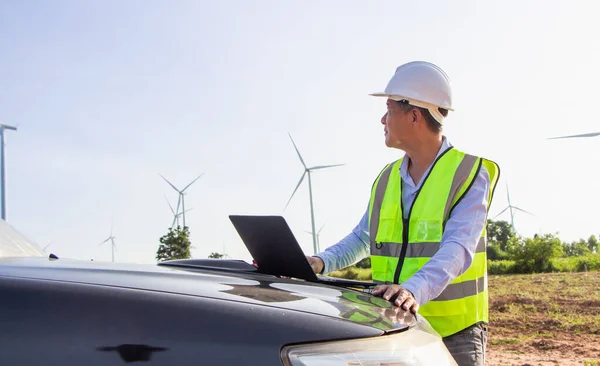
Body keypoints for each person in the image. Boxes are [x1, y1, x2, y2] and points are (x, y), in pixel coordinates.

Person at [306, 61, 500, 366]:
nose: (382, 119)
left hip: (454, 336)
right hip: (393, 326)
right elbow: (362, 238)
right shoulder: (386, 178)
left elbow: (459, 249)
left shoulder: (470, 173)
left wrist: (412, 290)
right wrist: (319, 262)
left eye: (389, 110)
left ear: (414, 115)